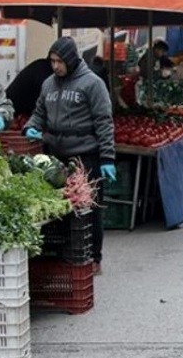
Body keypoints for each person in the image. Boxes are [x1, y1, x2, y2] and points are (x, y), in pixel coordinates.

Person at [23, 37, 116, 275]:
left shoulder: (92, 84)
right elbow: (39, 113)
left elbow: (104, 122)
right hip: (56, 157)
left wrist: (107, 158)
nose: (55, 66)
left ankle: (94, 257)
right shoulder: (48, 85)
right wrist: (30, 127)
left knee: (90, 209)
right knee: (60, 210)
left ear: (71, 60)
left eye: (60, 61)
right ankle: (66, 255)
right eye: (52, 61)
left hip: (85, 155)